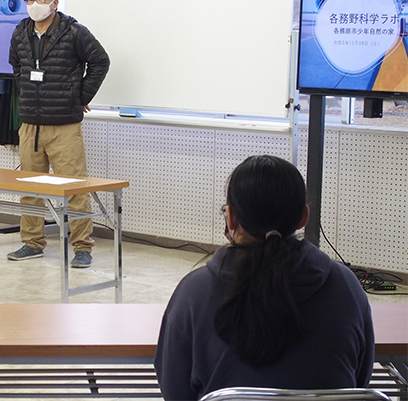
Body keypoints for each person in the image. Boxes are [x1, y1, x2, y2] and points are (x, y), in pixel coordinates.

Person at [154, 155, 374, 400]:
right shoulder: (346, 286)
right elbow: (359, 380)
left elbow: (175, 390)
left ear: (231, 217)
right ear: (304, 217)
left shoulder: (193, 293)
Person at [6, 0, 110, 268]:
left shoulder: (73, 31)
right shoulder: (20, 32)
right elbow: (16, 66)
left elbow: (100, 61)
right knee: (31, 187)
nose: (35, 4)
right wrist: (28, 91)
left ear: (55, 2)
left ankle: (82, 247)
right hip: (30, 124)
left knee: (74, 188)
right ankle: (32, 242)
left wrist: (80, 96)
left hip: (64, 124)